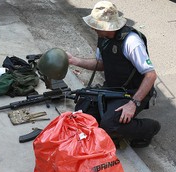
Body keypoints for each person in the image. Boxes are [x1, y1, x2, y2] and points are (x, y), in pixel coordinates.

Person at [67, 1, 160, 148]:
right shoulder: (104, 38)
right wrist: (75, 61)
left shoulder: (131, 42)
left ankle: (150, 128)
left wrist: (133, 104)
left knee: (109, 124)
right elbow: (102, 63)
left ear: (108, 26)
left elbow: (150, 75)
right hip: (112, 89)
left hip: (132, 92)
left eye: (96, 25)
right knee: (83, 112)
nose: (92, 27)